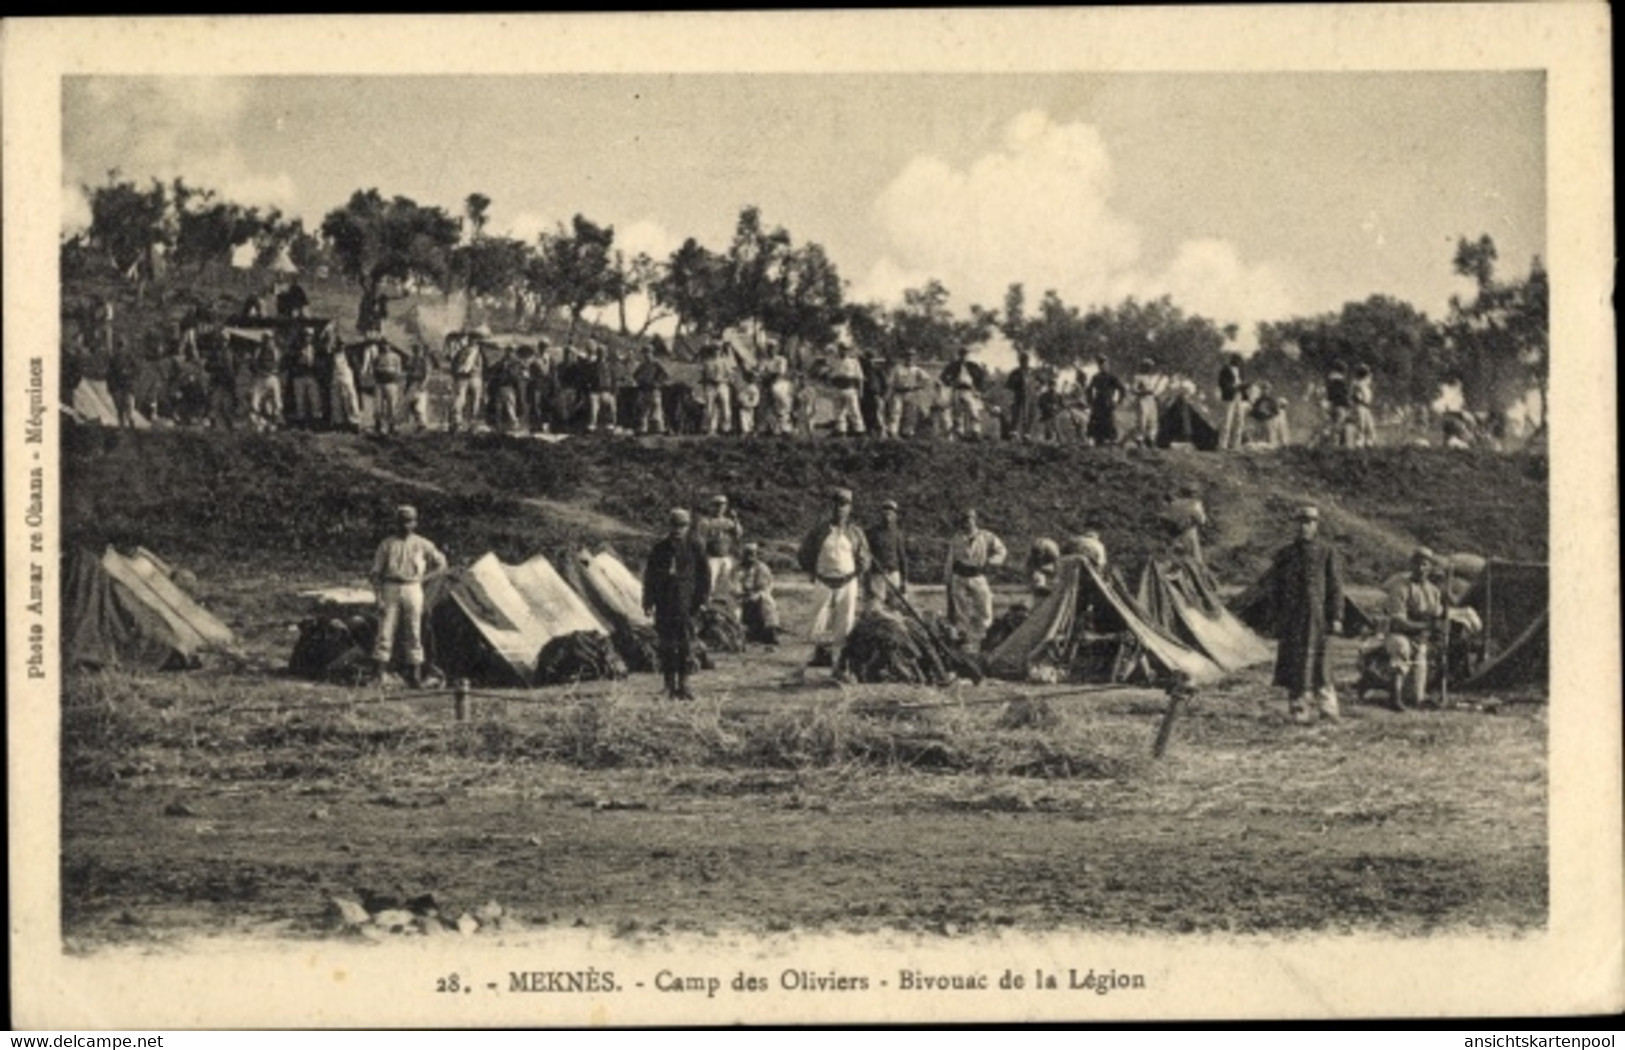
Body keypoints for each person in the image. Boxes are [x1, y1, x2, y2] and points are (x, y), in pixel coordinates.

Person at [1269, 505, 1346, 724]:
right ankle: (1298, 708)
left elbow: (1335, 587)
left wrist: (1337, 616)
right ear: (1296, 525)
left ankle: (1328, 709)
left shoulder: (1327, 552)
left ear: (1316, 525)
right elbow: (1275, 589)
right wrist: (1275, 618)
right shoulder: (1285, 554)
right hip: (1292, 619)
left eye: (1309, 522)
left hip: (1318, 618)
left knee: (1322, 663)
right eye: (1301, 522)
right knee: (1295, 662)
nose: (1305, 526)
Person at [369, 505, 448, 688]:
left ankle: (415, 676)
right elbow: (375, 573)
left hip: (413, 588)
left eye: (409, 521)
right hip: (390, 587)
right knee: (385, 631)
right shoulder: (387, 544)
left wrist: (423, 578)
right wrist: (378, 597)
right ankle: (379, 675)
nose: (405, 525)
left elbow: (441, 564)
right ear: (396, 522)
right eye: (402, 521)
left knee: (414, 630)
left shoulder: (423, 544)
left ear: (415, 523)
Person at [796, 487, 873, 670]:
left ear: (850, 508)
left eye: (844, 505)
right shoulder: (819, 531)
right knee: (818, 619)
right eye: (836, 505)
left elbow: (865, 557)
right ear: (831, 506)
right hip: (823, 580)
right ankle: (817, 654)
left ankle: (840, 659)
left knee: (845, 620)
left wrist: (858, 573)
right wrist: (812, 572)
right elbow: (804, 553)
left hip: (847, 581)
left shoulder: (855, 532)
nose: (840, 509)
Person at [641, 508, 711, 700]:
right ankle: (668, 685)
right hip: (664, 603)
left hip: (687, 603)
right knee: (666, 645)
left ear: (688, 526)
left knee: (686, 644)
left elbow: (704, 576)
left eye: (682, 525)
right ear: (669, 525)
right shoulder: (660, 548)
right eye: (675, 525)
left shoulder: (695, 546)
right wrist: (648, 600)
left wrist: (703, 600)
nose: (678, 529)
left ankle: (685, 685)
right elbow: (650, 577)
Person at [1382, 547, 1445, 711]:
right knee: (1401, 649)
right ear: (1411, 565)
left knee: (1417, 696)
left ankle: (1417, 696)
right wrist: (1424, 626)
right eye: (1417, 564)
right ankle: (1393, 697)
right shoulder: (1400, 587)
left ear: (1430, 567)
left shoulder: (1434, 591)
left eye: (1425, 564)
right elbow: (1398, 621)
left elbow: (1436, 615)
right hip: (1399, 634)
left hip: (1420, 637)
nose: (1421, 568)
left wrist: (1436, 628)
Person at [944, 508, 1007, 650]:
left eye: (970, 519)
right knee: (961, 610)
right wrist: (947, 579)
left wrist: (992, 561)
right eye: (965, 520)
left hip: (977, 575)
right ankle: (963, 639)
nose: (968, 523)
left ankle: (986, 637)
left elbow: (1001, 550)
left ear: (975, 520)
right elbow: (950, 559)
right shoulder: (957, 538)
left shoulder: (985, 536)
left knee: (985, 606)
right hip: (959, 576)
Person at [732, 543, 780, 647]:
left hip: (758, 594)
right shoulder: (737, 568)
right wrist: (741, 593)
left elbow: (766, 586)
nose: (750, 558)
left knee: (768, 602)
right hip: (741, 596)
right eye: (747, 554)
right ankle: (737, 633)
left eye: (752, 554)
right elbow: (734, 584)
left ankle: (771, 631)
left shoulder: (762, 567)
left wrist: (756, 594)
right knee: (734, 610)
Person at [695, 495, 744, 594]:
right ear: (712, 506)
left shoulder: (728, 522)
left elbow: (738, 534)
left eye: (722, 506)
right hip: (711, 557)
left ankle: (724, 605)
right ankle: (706, 604)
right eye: (717, 505)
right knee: (709, 584)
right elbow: (700, 540)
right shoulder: (706, 522)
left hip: (725, 556)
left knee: (728, 583)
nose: (719, 508)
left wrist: (735, 519)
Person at [866, 498, 909, 605]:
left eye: (890, 512)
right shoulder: (872, 532)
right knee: (876, 606)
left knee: (895, 606)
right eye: (885, 511)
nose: (887, 515)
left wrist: (904, 580)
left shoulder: (898, 534)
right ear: (881, 514)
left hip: (894, 574)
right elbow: (867, 556)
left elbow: (902, 557)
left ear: (895, 515)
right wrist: (866, 581)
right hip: (878, 575)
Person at [939, 345, 987, 440]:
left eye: (966, 354)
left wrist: (979, 390)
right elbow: (943, 377)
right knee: (958, 412)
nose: (964, 356)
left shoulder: (973, 366)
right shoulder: (953, 365)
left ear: (968, 355)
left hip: (970, 390)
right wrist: (949, 382)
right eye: (962, 354)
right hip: (957, 390)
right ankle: (959, 432)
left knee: (973, 411)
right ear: (959, 355)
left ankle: (975, 431)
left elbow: (981, 378)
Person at [885, 350, 930, 438]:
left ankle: (908, 433)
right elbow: (889, 381)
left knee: (911, 414)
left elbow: (927, 380)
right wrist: (889, 393)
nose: (910, 358)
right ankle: (893, 432)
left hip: (911, 393)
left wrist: (918, 386)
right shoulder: (897, 368)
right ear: (904, 358)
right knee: (895, 412)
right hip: (898, 392)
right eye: (908, 356)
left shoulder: (917, 369)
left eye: (912, 356)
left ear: (915, 358)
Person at [1085, 355, 1125, 446]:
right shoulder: (1096, 377)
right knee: (1096, 423)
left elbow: (1122, 389)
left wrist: (1118, 402)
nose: (1102, 367)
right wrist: (1090, 401)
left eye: (1104, 365)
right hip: (1098, 403)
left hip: (1108, 403)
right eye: (1100, 365)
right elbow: (1089, 390)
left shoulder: (1112, 377)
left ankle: (1110, 442)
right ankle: (1097, 441)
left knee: (1109, 423)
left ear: (1108, 366)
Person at [249, 332, 283, 430]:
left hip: (272, 378)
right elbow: (253, 365)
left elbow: (279, 364)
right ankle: (259, 424)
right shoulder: (258, 351)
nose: (269, 341)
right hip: (260, 378)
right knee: (255, 401)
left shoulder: (276, 351)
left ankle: (274, 423)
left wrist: (274, 371)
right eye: (267, 339)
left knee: (276, 401)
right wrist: (259, 371)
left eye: (271, 339)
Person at [830, 343, 866, 436]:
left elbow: (860, 377)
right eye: (841, 349)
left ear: (848, 351)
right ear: (838, 350)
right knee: (838, 411)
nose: (843, 351)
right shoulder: (834, 361)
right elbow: (830, 375)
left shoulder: (854, 361)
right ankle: (841, 431)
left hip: (850, 388)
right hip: (838, 388)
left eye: (845, 350)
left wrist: (861, 390)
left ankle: (859, 430)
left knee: (854, 410)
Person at [632, 344, 669, 435]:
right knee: (644, 410)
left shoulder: (656, 364)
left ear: (652, 353)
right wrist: (640, 381)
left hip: (654, 390)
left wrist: (658, 383)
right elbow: (635, 375)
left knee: (657, 409)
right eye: (645, 353)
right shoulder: (642, 365)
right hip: (644, 389)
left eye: (648, 352)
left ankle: (659, 429)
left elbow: (665, 375)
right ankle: (644, 429)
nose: (646, 355)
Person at [372, 338, 405, 435]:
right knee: (378, 406)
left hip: (391, 383)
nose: (385, 346)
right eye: (383, 345)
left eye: (387, 344)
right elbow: (374, 370)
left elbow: (399, 371)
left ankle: (392, 427)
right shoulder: (377, 357)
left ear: (390, 345)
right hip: (380, 383)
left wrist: (392, 373)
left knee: (392, 405)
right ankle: (379, 426)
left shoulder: (396, 357)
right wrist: (380, 372)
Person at [758, 342, 794, 434]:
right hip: (768, 385)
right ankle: (773, 429)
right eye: (769, 348)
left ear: (777, 349)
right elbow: (761, 373)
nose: (771, 350)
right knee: (767, 407)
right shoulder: (765, 361)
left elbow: (780, 373)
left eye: (773, 348)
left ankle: (786, 428)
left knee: (783, 406)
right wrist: (764, 376)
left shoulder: (781, 360)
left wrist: (768, 375)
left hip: (780, 385)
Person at [699, 342, 734, 435]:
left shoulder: (725, 361)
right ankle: (711, 429)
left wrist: (723, 380)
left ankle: (726, 429)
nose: (716, 351)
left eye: (718, 349)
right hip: (710, 386)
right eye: (714, 349)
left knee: (725, 406)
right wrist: (708, 381)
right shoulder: (707, 362)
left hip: (722, 385)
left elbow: (731, 376)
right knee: (709, 407)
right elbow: (702, 376)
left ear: (721, 350)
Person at [106, 336, 140, 429]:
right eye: (119, 346)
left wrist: (128, 372)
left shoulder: (130, 358)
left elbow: (137, 370)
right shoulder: (113, 359)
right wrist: (111, 387)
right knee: (120, 408)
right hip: (118, 386)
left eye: (122, 346)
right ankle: (122, 425)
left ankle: (131, 423)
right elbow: (110, 374)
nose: (121, 348)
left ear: (125, 347)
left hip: (128, 386)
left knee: (129, 407)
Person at [1129, 358, 1163, 447]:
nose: (1149, 369)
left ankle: (1151, 439)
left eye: (1151, 367)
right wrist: (1143, 392)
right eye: (1147, 367)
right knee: (1142, 420)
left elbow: (1153, 391)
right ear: (1143, 367)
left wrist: (1155, 397)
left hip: (1150, 400)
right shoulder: (1138, 377)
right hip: (1142, 400)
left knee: (1152, 420)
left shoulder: (1149, 378)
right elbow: (1133, 389)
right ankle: (1139, 440)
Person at [586, 341, 620, 432]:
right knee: (593, 408)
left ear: (606, 354)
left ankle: (611, 424)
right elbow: (587, 378)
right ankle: (592, 424)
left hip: (607, 391)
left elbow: (614, 379)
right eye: (600, 353)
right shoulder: (592, 366)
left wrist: (614, 392)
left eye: (604, 353)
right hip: (595, 391)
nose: (602, 355)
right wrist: (589, 388)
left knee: (612, 408)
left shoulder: (610, 366)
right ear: (597, 354)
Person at [1006, 351, 1039, 440]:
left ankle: (1027, 434)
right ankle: (1014, 432)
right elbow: (1009, 385)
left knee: (1030, 414)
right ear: (1020, 361)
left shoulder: (1032, 372)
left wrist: (1036, 388)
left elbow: (1040, 381)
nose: (1025, 362)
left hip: (1031, 395)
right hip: (1019, 395)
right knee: (1018, 413)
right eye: (1022, 360)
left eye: (1026, 360)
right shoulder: (1015, 372)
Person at [1217, 353, 1247, 450]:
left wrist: (1243, 387)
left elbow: (1241, 382)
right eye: (1237, 361)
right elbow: (1222, 384)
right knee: (1227, 420)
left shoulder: (1241, 371)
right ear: (1233, 360)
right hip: (1229, 396)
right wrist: (1234, 387)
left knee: (1239, 420)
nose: (1239, 363)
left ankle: (1236, 445)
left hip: (1239, 396)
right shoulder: (1225, 370)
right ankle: (1223, 445)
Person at [1248, 380, 1288, 447]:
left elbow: (1276, 412)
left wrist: (1268, 414)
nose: (1265, 391)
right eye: (1263, 389)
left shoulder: (1272, 400)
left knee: (1270, 436)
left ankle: (1276, 444)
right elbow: (1254, 411)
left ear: (1269, 390)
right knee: (1260, 436)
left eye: (1266, 389)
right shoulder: (1258, 400)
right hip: (1260, 421)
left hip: (1269, 421)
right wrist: (1256, 413)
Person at [1324, 360, 1353, 446]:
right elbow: (1341, 395)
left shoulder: (1330, 380)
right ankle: (1335, 445)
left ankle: (1334, 443)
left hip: (1332, 404)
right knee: (1338, 426)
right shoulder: (1339, 382)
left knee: (1334, 424)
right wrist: (1347, 402)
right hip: (1340, 405)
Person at [1351, 363, 1377, 448]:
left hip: (1366, 406)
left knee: (1369, 425)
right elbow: (1355, 396)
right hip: (1360, 405)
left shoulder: (1364, 382)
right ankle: (1360, 443)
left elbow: (1369, 377)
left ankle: (1369, 443)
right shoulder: (1358, 383)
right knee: (1361, 425)